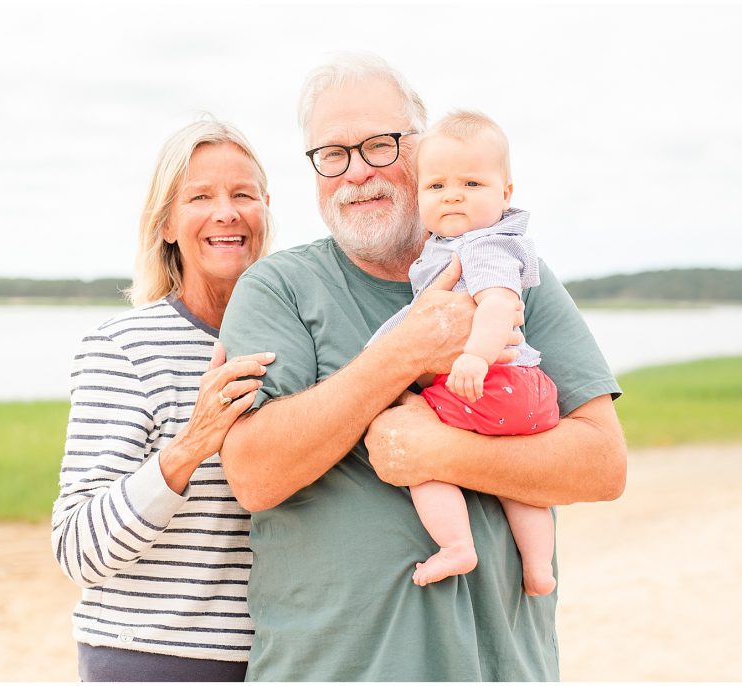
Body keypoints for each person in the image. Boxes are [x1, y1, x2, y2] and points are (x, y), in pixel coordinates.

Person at [219, 53, 626, 682]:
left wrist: (442, 453)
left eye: (380, 146)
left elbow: (603, 465)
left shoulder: (513, 273)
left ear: (423, 151)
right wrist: (401, 353)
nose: (356, 174)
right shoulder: (278, 288)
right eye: (332, 155)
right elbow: (254, 475)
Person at [51, 119, 276, 682]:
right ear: (168, 223)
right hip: (147, 658)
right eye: (200, 196)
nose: (227, 212)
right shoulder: (123, 347)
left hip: (276, 661)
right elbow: (78, 548)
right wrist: (191, 444)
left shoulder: (292, 346)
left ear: (265, 211)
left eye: (242, 194)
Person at [367, 110, 559, 594]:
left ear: (505, 194)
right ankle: (538, 567)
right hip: (527, 390)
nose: (452, 195)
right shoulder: (470, 243)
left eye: (471, 183)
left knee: (416, 451)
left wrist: (474, 356)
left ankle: (456, 545)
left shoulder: (482, 246)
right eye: (436, 187)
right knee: (520, 483)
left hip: (490, 381)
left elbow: (499, 303)